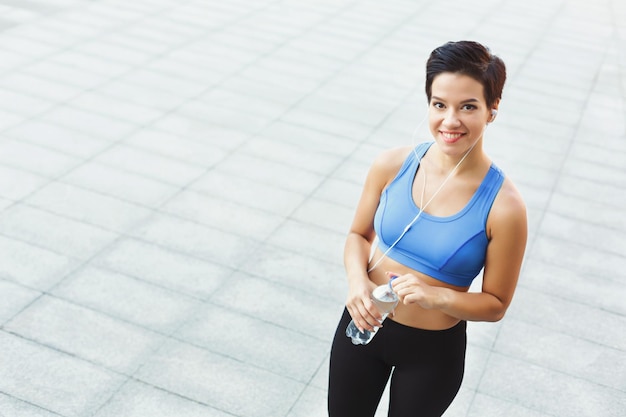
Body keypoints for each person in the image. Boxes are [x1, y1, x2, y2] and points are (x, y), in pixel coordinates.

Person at [328, 40, 528, 417]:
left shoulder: (505, 208)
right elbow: (357, 236)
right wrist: (357, 284)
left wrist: (437, 297)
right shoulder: (390, 165)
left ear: (492, 110)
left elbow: (496, 304)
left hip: (432, 354)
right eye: (440, 105)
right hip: (361, 325)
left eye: (468, 106)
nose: (450, 121)